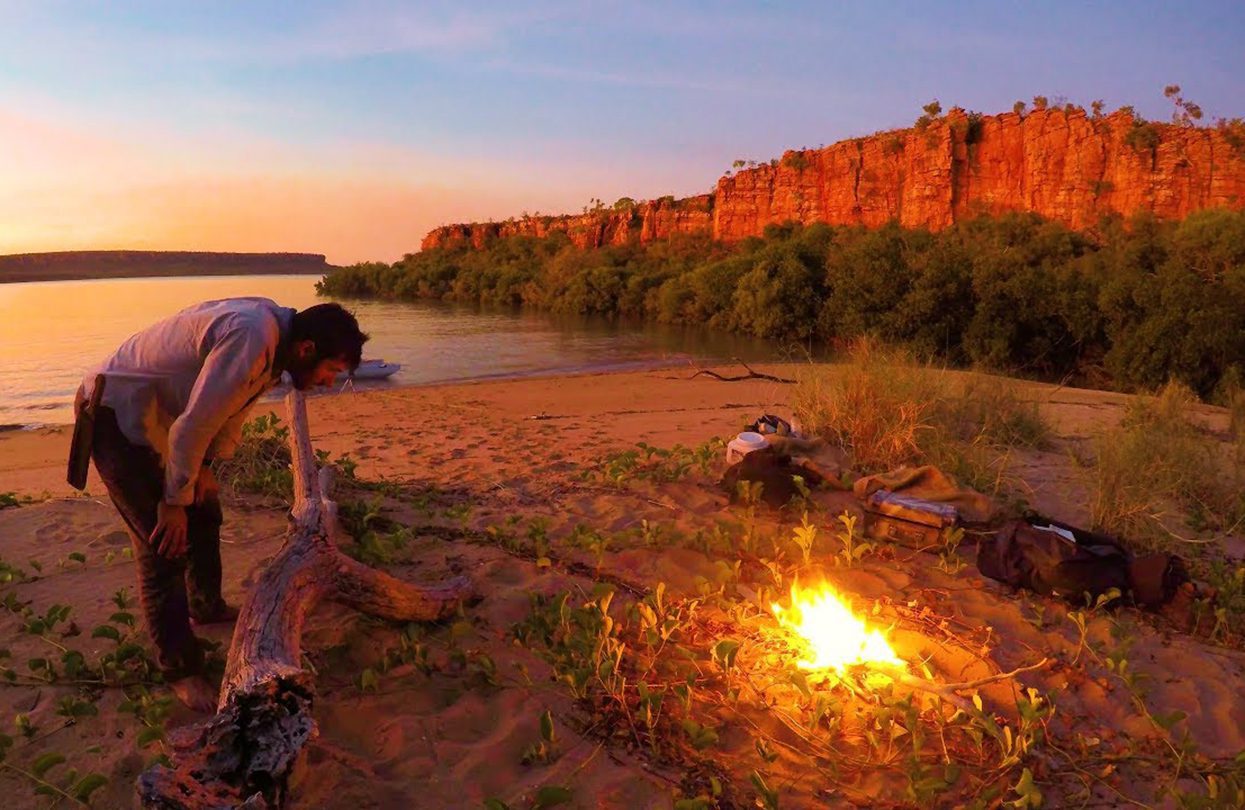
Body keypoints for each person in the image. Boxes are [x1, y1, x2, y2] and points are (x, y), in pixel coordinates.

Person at [73, 298, 367, 711]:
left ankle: (205, 607)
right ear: (307, 350)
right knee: (163, 542)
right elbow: (193, 426)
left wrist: (206, 467)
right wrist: (173, 502)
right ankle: (179, 668)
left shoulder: (276, 339)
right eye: (331, 371)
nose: (329, 382)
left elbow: (229, 411)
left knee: (206, 509)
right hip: (114, 412)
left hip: (157, 413)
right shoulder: (252, 336)